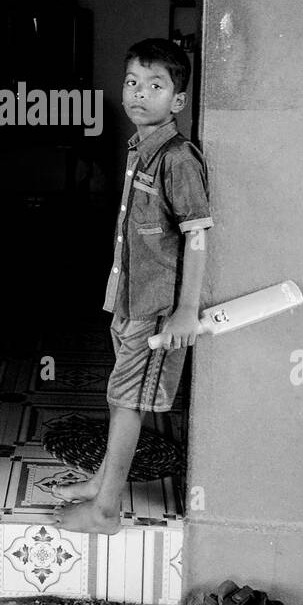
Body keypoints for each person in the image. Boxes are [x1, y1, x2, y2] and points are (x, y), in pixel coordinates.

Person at [52, 38, 212, 535]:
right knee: (120, 394)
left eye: (156, 85)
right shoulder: (139, 149)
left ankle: (105, 511)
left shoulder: (177, 158)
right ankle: (103, 481)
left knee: (128, 402)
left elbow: (197, 236)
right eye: (132, 82)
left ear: (177, 101)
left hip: (158, 309)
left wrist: (186, 311)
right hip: (128, 299)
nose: (140, 93)